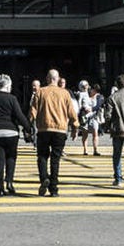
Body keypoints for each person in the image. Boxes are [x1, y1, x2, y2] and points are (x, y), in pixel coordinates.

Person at [30, 69, 78, 197]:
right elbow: (71, 112)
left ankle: (44, 178)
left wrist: (28, 125)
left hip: (43, 129)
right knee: (55, 160)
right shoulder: (65, 93)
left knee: (42, 156)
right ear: (57, 79)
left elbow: (33, 111)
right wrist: (75, 127)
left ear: (47, 79)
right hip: (60, 130)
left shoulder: (40, 92)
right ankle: (54, 188)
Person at [0, 74, 30, 196]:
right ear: (8, 86)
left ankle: (0, 189)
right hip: (10, 132)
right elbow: (19, 115)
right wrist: (28, 128)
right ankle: (9, 182)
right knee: (11, 157)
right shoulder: (12, 98)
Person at [77, 82, 103, 156]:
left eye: (96, 91)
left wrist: (91, 109)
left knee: (95, 133)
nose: (94, 92)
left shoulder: (99, 96)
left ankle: (95, 150)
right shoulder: (85, 94)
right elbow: (80, 103)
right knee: (85, 133)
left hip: (94, 117)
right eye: (93, 90)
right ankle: (85, 150)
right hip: (85, 116)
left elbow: (98, 105)